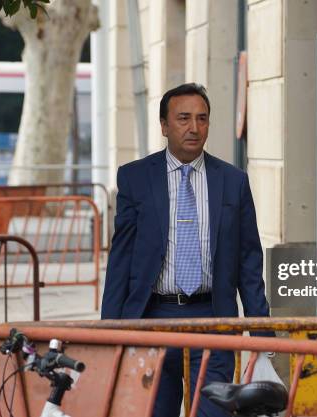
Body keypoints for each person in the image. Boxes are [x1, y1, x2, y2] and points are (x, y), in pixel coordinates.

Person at [101, 83, 273, 417]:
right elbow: (121, 259)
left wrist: (262, 336)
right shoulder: (135, 177)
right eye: (183, 118)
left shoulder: (233, 181)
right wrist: (108, 332)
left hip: (213, 319)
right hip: (152, 321)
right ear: (164, 125)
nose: (194, 128)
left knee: (213, 412)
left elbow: (248, 260)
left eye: (202, 118)